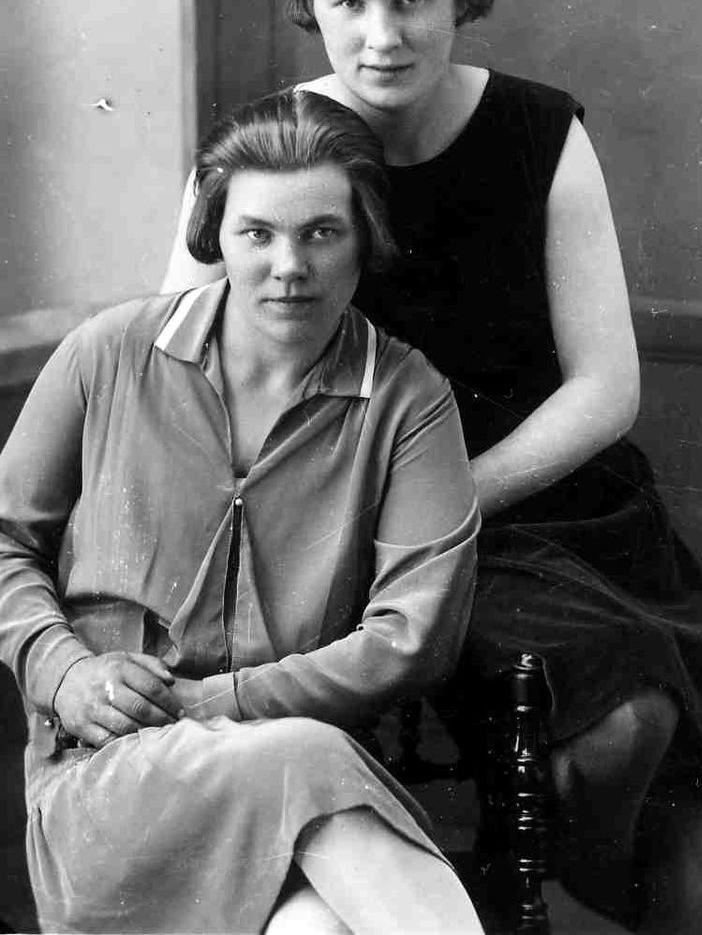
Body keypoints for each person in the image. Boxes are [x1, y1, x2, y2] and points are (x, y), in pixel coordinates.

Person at [162, 0, 702, 931]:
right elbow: (174, 366)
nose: (381, 36)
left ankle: (560, 874)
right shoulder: (274, 142)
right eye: (349, 3)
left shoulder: (538, 130)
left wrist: (450, 500)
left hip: (545, 513)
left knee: (677, 813)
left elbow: (605, 387)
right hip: (345, 525)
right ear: (312, 5)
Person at [0, 89, 484, 935]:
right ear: (216, 235)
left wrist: (215, 701)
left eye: (321, 232)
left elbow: (413, 637)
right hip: (106, 776)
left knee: (319, 928)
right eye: (257, 233)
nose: (289, 265)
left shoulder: (409, 399)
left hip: (305, 791)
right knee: (305, 754)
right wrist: (63, 670)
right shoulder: (107, 355)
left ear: (365, 237)